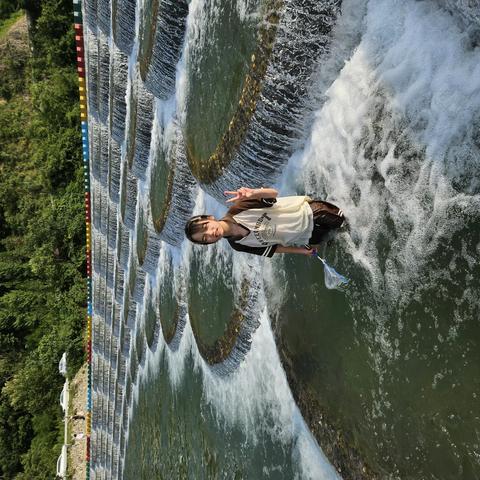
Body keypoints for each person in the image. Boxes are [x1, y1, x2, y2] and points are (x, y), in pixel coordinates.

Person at [184, 187, 344, 256]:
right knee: (343, 238)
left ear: (210, 218)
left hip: (310, 212)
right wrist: (303, 251)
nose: (211, 233)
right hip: (307, 237)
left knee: (346, 223)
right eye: (205, 238)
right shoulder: (238, 245)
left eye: (206, 227)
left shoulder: (239, 208)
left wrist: (254, 193)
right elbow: (273, 249)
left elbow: (274, 193)